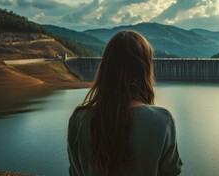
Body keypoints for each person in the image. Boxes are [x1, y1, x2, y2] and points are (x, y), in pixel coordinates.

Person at [67, 30, 183, 176]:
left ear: (106, 67)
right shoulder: (162, 120)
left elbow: (74, 172)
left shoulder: (79, 119)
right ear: (145, 69)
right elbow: (171, 172)